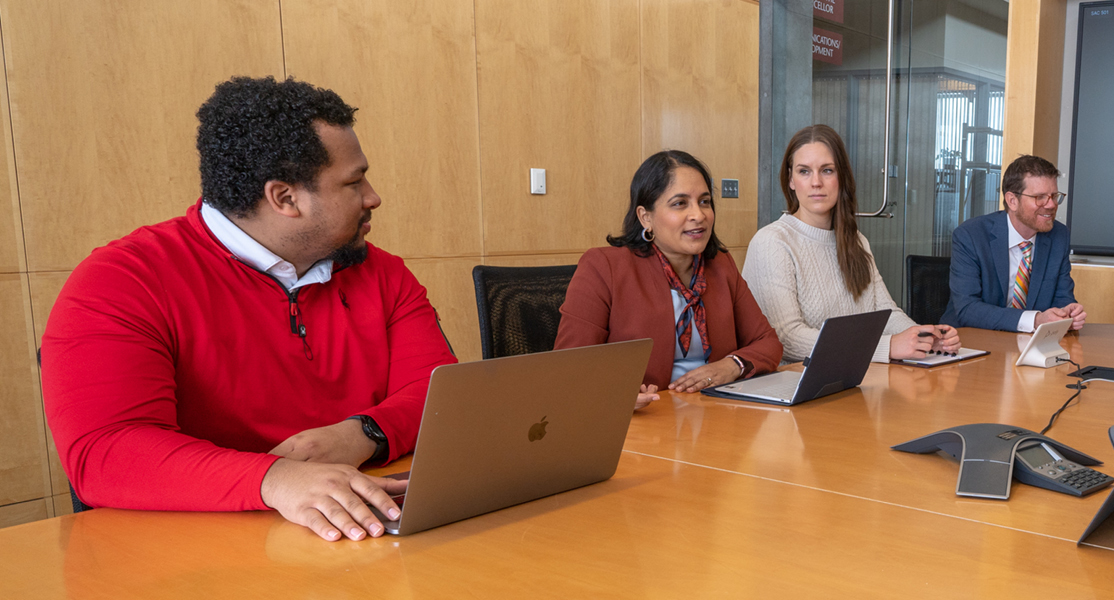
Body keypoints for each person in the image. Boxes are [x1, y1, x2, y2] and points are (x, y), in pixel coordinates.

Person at [39, 77, 459, 542]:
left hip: (356, 534)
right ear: (284, 198)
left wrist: (364, 432)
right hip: (196, 553)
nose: (372, 196)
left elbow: (439, 393)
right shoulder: (121, 281)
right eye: (354, 182)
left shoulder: (383, 274)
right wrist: (274, 479)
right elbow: (106, 453)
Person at [555, 150, 783, 406]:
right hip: (644, 420)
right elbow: (568, 366)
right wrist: (614, 394)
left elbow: (767, 343)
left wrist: (730, 367)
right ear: (646, 217)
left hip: (717, 414)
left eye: (705, 201)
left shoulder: (721, 265)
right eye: (680, 203)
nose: (699, 215)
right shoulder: (604, 266)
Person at [743, 124, 962, 363]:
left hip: (854, 379)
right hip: (796, 387)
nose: (816, 182)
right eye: (804, 171)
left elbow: (885, 313)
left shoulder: (856, 240)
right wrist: (885, 347)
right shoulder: (772, 242)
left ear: (841, 177)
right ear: (791, 180)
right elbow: (786, 340)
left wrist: (924, 337)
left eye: (827, 171)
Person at [943, 155, 1085, 332]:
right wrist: (1035, 320)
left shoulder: (1058, 236)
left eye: (1054, 196)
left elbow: (1063, 297)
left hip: (1030, 344)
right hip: (971, 341)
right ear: (1012, 201)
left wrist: (1066, 314)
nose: (1051, 205)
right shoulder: (971, 236)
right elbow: (968, 309)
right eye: (1040, 197)